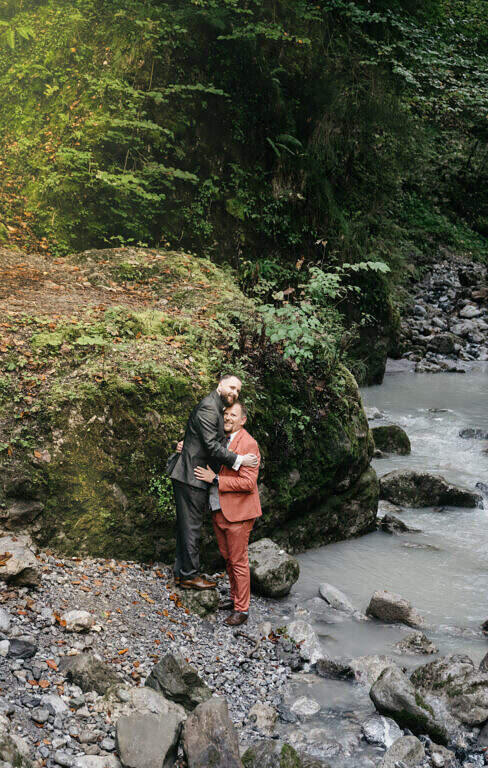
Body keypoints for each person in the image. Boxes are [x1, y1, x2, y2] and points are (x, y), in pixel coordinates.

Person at [168, 374, 258, 590]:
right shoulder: (210, 406)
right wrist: (240, 459)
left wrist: (187, 444)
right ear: (220, 385)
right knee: (192, 527)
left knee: (186, 526)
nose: (234, 392)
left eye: (237, 390)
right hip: (192, 475)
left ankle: (182, 573)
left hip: (190, 473)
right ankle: (190, 575)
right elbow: (211, 445)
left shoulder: (215, 406)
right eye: (231, 387)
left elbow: (200, 437)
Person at [193, 400, 262, 626]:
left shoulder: (249, 444)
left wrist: (215, 479)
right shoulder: (219, 439)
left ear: (243, 420)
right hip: (218, 510)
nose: (228, 418)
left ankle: (242, 609)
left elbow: (249, 483)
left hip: (239, 514)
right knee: (228, 559)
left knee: (239, 561)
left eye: (234, 415)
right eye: (226, 414)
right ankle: (234, 599)